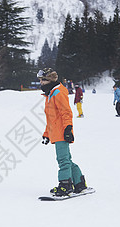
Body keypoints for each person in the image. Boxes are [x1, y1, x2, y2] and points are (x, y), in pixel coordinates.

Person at [38, 68, 89, 197]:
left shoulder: (58, 92)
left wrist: (68, 129)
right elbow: (51, 118)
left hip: (62, 132)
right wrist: (46, 134)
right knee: (67, 160)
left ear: (48, 80)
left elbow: (66, 113)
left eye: (42, 80)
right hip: (56, 132)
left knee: (63, 160)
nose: (40, 83)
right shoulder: (50, 94)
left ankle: (65, 186)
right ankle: (79, 184)